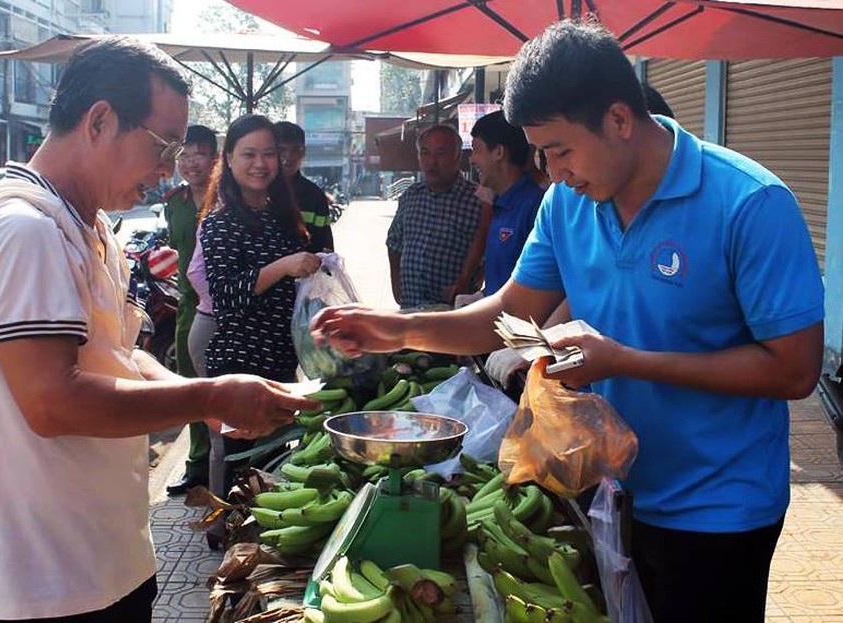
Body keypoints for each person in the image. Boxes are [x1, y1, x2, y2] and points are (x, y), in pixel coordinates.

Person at [311, 20, 824, 623]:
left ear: (619, 119)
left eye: (560, 150)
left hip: (718, 509)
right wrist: (392, 328)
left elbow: (794, 370)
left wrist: (624, 361)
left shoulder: (749, 203)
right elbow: (502, 317)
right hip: (604, 492)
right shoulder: (568, 204)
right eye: (541, 155)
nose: (553, 171)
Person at [0, 38, 316, 622]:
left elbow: (119, 356)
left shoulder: (89, 227)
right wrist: (207, 393)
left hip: (98, 555)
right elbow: (53, 401)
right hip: (35, 580)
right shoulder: (24, 229)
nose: (169, 167)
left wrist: (200, 398)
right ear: (100, 120)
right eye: (163, 145)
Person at [200, 114, 321, 505]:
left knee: (273, 470)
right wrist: (285, 266)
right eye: (249, 154)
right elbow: (226, 295)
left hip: (279, 363)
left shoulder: (281, 215)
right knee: (242, 470)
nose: (260, 163)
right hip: (239, 365)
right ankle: (231, 547)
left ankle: (260, 549)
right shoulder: (220, 222)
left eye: (269, 154)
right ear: (229, 160)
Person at [163, 124, 218, 496]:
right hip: (188, 308)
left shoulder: (228, 199)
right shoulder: (175, 203)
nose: (190, 162)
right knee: (191, 389)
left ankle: (231, 459)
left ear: (215, 158)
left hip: (227, 309)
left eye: (197, 154)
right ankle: (198, 464)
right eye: (183, 155)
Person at [386, 124, 483, 309]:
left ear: (458, 156)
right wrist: (396, 286)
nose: (432, 162)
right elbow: (394, 242)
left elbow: (489, 254)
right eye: (425, 153)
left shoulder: (478, 201)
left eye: (440, 153)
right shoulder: (411, 196)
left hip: (452, 313)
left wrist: (469, 284)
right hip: (410, 308)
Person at [456, 110, 545, 298]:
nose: (471, 160)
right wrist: (480, 297)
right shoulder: (498, 206)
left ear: (498, 152)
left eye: (476, 149)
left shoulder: (535, 208)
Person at [273, 121, 334, 252]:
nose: (289, 157)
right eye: (281, 150)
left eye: (297, 150)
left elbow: (325, 247)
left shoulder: (315, 196)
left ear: (304, 152)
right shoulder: (258, 191)